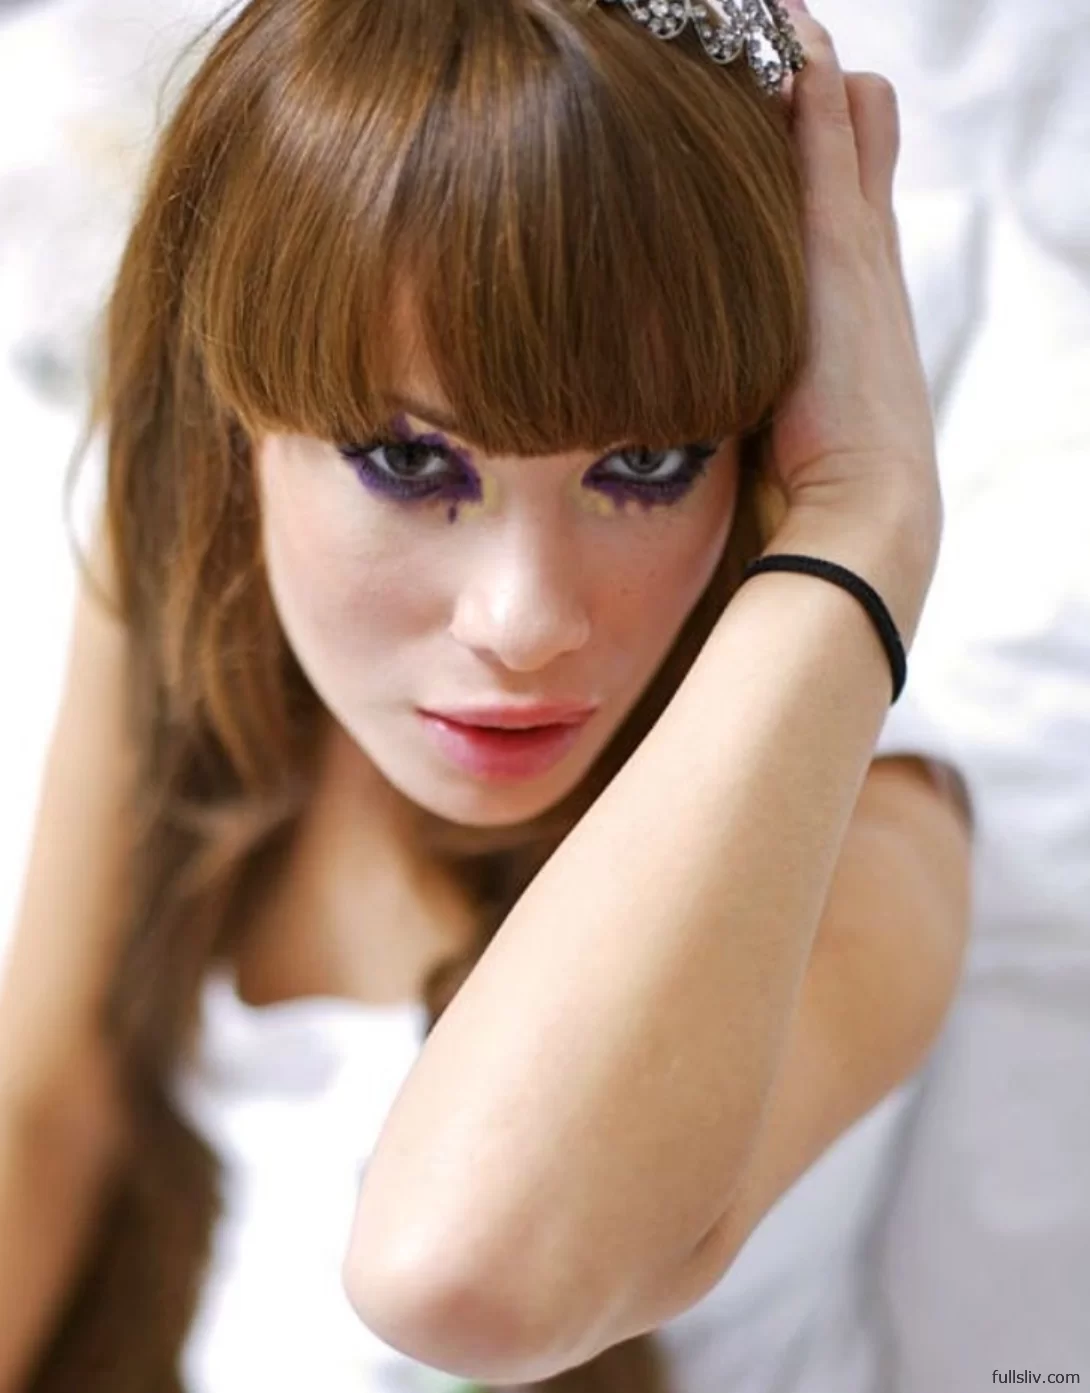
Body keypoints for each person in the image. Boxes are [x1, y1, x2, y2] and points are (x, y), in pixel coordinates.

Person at [0, 0, 975, 1390]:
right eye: (409, 463)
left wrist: (866, 517)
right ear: (234, 426)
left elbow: (465, 1276)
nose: (523, 625)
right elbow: (48, 1113)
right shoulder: (187, 599)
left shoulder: (875, 838)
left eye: (647, 466)